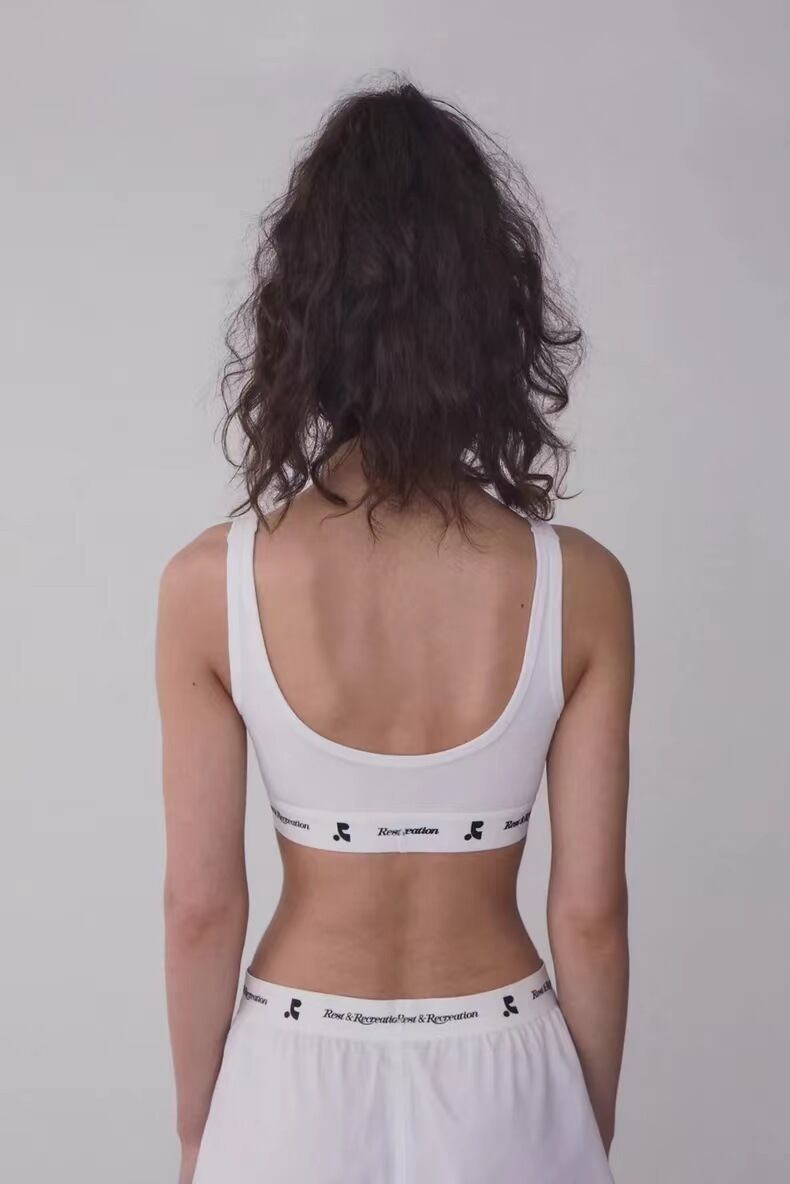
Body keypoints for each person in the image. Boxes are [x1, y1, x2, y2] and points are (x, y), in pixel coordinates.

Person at [156, 77, 633, 1184]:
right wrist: (584, 1120)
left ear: (304, 314)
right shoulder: (580, 584)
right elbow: (591, 914)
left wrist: (194, 1129)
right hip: (508, 1064)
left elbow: (200, 907)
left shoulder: (209, 584)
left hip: (289, 1078)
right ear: (490, 312)